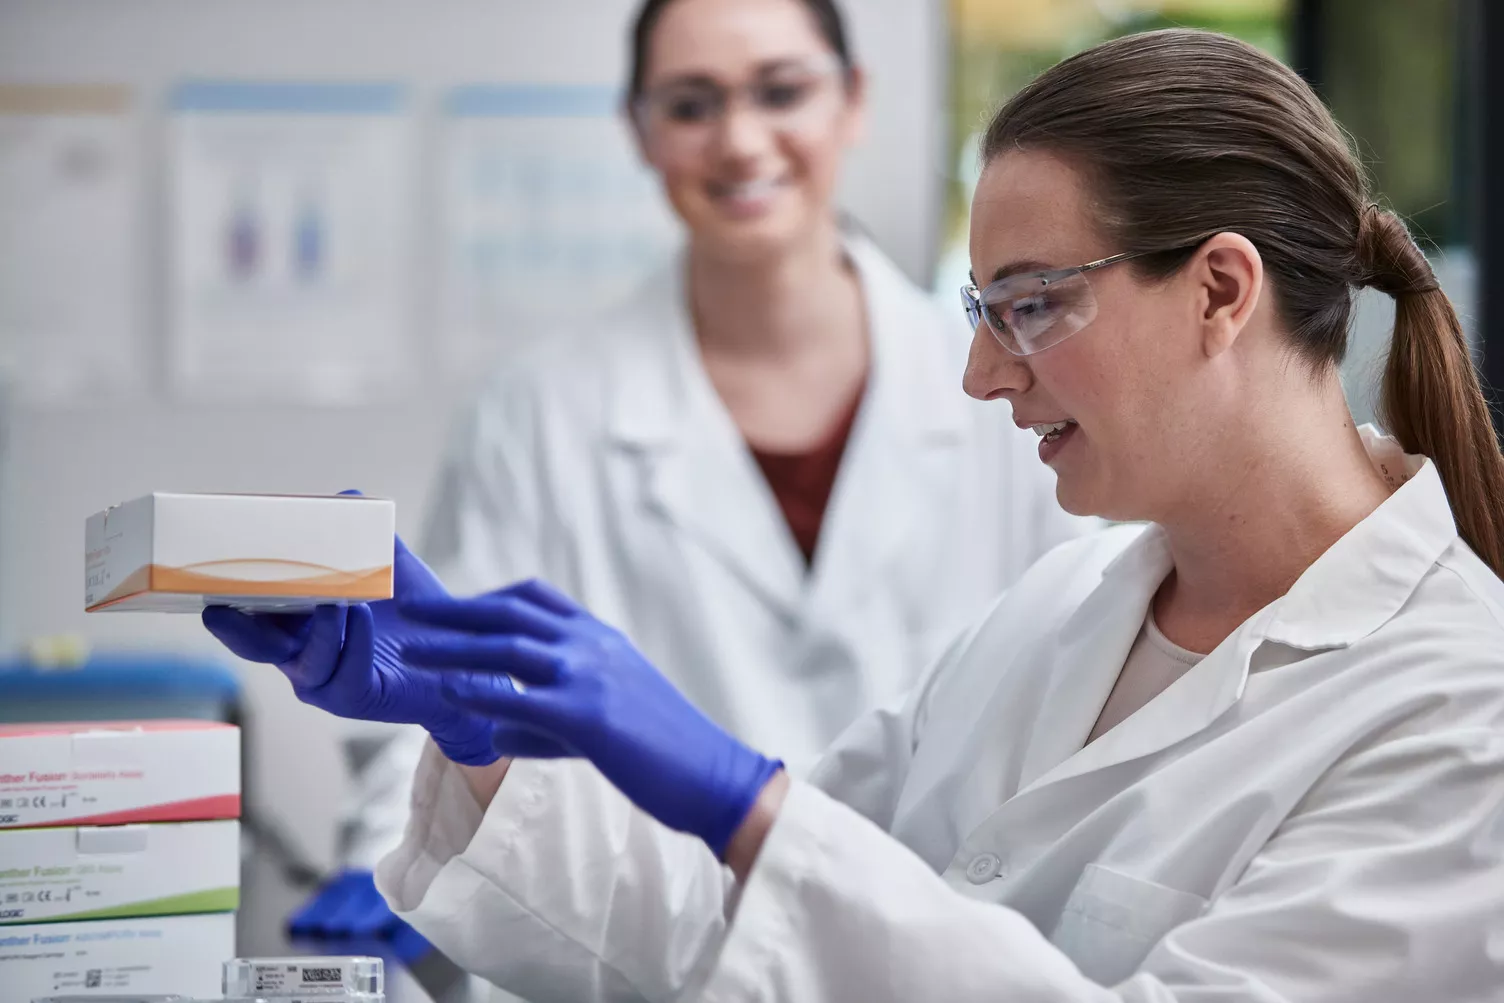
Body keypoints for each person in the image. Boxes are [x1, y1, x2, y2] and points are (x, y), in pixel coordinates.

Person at [209, 26, 1504, 1000]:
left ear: (1222, 289)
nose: (984, 374)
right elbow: (744, 931)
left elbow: (803, 876)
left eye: (1035, 305)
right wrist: (475, 732)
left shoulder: (1460, 710)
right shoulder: (1065, 610)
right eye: (981, 310)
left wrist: (747, 797)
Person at [267, 0, 1089, 962]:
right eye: (692, 105)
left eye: (781, 91)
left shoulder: (1008, 390)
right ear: (640, 129)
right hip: (630, 949)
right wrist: (392, 869)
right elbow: (446, 690)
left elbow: (1078, 678)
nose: (741, 142)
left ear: (852, 102)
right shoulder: (539, 414)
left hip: (941, 951)